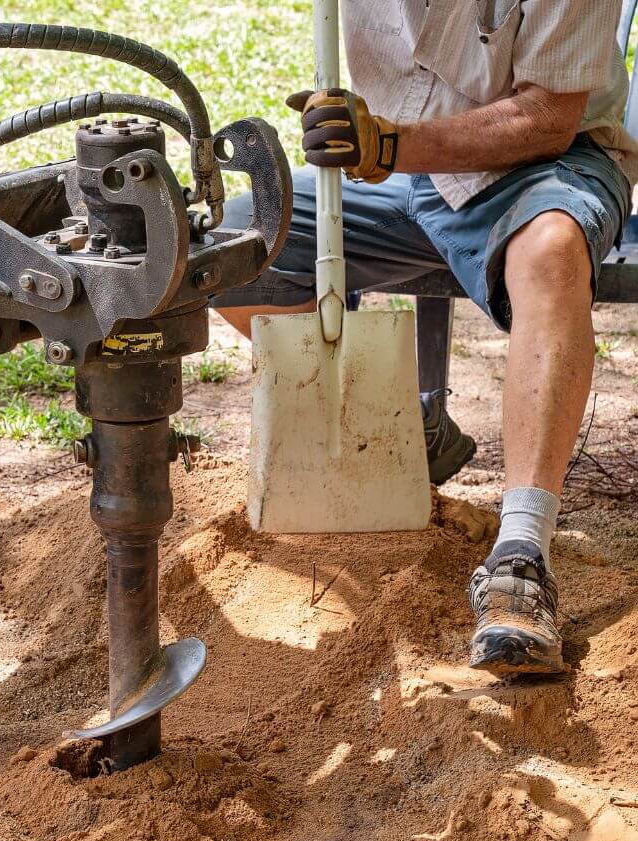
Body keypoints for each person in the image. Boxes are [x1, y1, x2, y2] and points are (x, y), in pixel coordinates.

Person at [214, 1, 638, 677]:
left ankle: (521, 558)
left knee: (553, 251)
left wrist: (389, 145)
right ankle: (401, 436)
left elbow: (547, 119)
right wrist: (381, 146)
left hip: (537, 169)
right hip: (391, 171)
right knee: (235, 248)